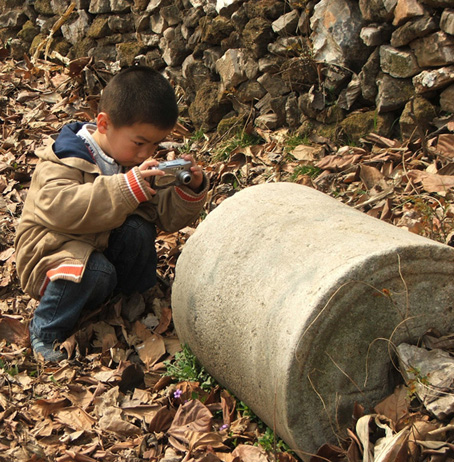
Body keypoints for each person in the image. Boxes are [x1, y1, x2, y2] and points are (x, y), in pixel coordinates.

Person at [14, 66, 208, 361]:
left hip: (99, 247)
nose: (146, 153)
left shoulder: (131, 161)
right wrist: (127, 188)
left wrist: (190, 189)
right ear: (103, 124)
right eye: (140, 142)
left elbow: (164, 218)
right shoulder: (64, 156)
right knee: (94, 271)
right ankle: (45, 330)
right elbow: (61, 208)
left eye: (155, 144)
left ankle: (133, 298)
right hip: (50, 251)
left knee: (138, 229)